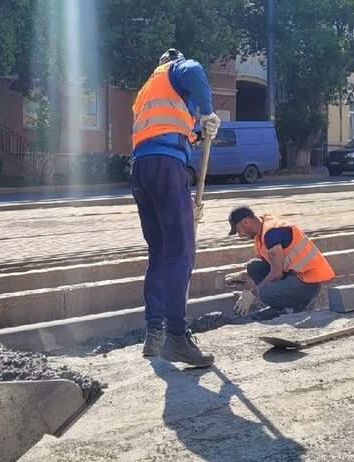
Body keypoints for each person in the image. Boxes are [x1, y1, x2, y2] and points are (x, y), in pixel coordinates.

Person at [131, 48, 221, 367]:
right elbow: (195, 70)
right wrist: (208, 112)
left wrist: (197, 136)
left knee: (159, 254)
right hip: (166, 168)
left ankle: (154, 334)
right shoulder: (176, 69)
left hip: (142, 170)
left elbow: (165, 134)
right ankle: (177, 339)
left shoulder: (145, 91)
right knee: (181, 252)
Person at [225, 206, 336, 320]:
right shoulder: (261, 234)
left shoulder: (272, 233)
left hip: (307, 282)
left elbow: (276, 273)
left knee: (264, 293)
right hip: (293, 275)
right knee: (254, 266)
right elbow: (267, 264)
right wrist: (241, 275)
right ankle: (280, 304)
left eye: (239, 230)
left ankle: (297, 306)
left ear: (245, 222)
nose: (240, 235)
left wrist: (253, 293)